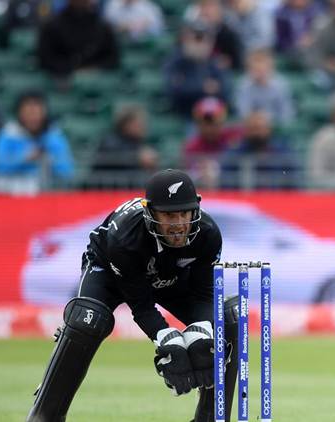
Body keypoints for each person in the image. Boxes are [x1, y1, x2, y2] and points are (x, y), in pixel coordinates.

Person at [26, 169, 239, 422]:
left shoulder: (208, 233)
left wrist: (201, 334)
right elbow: (141, 305)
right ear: (150, 212)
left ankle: (212, 418)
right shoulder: (125, 237)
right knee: (87, 319)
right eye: (169, 215)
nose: (179, 224)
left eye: (185, 213)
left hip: (171, 276)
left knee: (228, 318)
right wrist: (167, 339)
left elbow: (205, 295)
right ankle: (45, 415)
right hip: (109, 271)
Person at [0, 90, 74, 180]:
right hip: (14, 189)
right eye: (28, 111)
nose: (33, 116)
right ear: (19, 112)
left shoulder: (54, 135)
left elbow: (67, 171)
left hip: (48, 189)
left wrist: (50, 161)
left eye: (37, 111)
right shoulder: (8, 134)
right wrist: (25, 158)